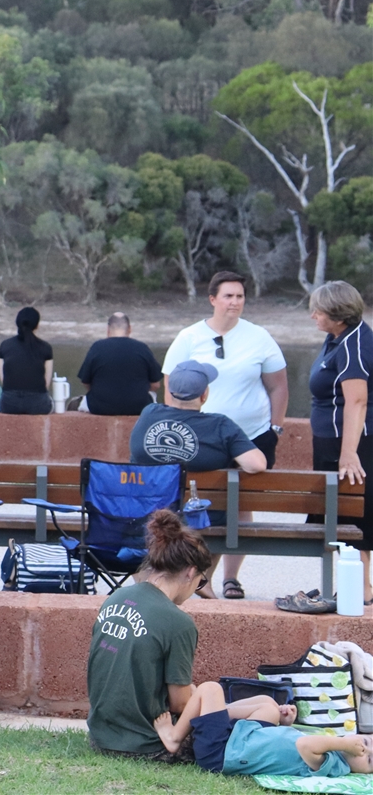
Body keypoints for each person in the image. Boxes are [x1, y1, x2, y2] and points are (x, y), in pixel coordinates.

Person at [163, 270, 287, 599]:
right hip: (203, 437)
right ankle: (199, 575)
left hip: (253, 437)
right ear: (213, 299)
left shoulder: (259, 337)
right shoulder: (189, 337)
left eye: (240, 296)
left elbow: (278, 386)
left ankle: (230, 578)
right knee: (206, 504)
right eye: (228, 296)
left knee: (242, 505)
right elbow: (171, 388)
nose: (235, 302)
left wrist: (275, 428)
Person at [86, 509, 216, 761]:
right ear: (190, 572)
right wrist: (195, 692)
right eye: (200, 583)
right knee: (220, 718)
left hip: (100, 737)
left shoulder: (116, 597)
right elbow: (180, 704)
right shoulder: (179, 622)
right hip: (147, 744)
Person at [307, 280, 373, 607]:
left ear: (338, 314)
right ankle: (355, 585)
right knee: (339, 516)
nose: (313, 316)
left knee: (351, 516)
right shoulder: (336, 337)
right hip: (331, 442)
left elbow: (357, 400)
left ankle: (361, 589)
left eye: (318, 311)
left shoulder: (353, 344)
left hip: (349, 445)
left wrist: (348, 453)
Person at [151, 680, 373, 777]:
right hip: (244, 738)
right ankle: (209, 710)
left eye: (370, 759)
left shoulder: (334, 765)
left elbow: (305, 745)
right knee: (269, 705)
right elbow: (289, 744)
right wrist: (284, 725)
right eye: (366, 742)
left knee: (210, 688)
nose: (363, 750)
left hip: (222, 753)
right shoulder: (334, 751)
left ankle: (174, 737)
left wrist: (344, 744)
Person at [130, 360, 265, 476]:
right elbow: (256, 465)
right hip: (200, 498)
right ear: (204, 395)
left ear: (170, 392)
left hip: (149, 498)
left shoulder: (150, 412)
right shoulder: (220, 425)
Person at [77, 312, 163, 416]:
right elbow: (155, 384)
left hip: (99, 407)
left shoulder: (97, 347)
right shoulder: (142, 348)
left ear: (108, 329)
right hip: (139, 407)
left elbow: (85, 382)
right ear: (129, 329)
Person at [0, 306, 53, 415]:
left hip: (9, 404)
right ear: (37, 325)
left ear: (17, 323)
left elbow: (4, 380)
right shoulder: (46, 347)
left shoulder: (5, 345)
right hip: (38, 405)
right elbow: (46, 384)